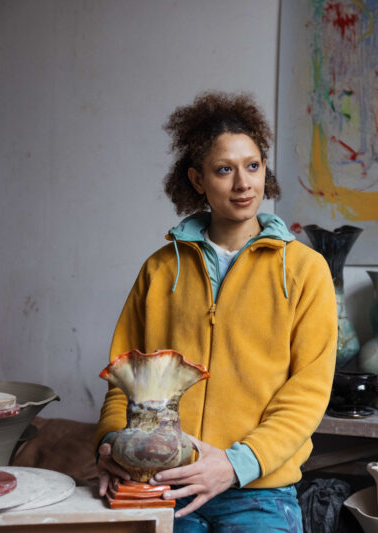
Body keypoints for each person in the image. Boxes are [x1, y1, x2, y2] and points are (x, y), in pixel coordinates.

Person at [95, 91, 338, 532]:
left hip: (259, 491)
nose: (243, 183)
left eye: (253, 166)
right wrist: (112, 444)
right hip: (165, 486)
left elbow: (308, 393)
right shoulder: (160, 269)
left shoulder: (305, 270)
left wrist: (234, 464)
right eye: (224, 169)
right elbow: (123, 378)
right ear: (197, 179)